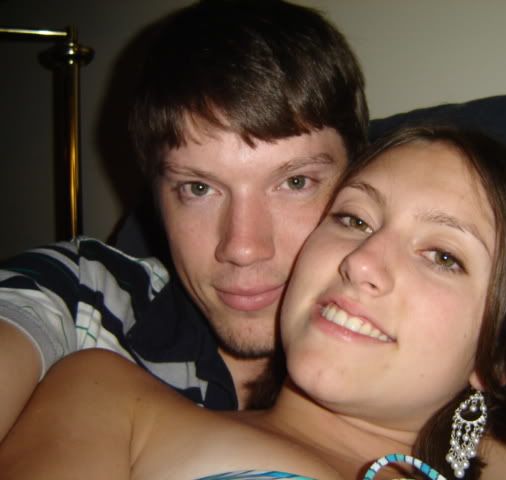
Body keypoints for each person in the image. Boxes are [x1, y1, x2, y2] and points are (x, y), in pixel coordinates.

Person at [1, 125, 506, 479]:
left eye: (443, 255)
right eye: (354, 219)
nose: (362, 261)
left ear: (499, 355)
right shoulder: (111, 400)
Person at [0, 0, 368, 441]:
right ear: (156, 198)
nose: (242, 247)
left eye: (295, 182)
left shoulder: (412, 360)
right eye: (198, 188)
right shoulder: (84, 301)